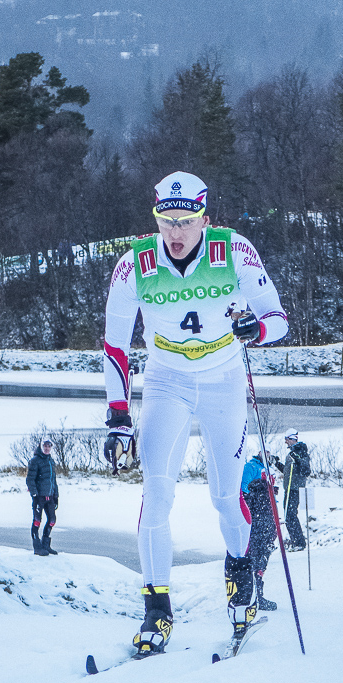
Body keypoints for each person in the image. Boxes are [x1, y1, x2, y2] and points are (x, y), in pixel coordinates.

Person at [103, 170, 288, 656]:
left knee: (225, 497)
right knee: (156, 494)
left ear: (205, 218)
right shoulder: (134, 265)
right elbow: (115, 346)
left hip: (223, 378)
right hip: (167, 380)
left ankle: (241, 581)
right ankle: (156, 610)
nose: (176, 232)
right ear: (156, 219)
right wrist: (118, 416)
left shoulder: (233, 250)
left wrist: (256, 329)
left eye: (186, 221)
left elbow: (278, 319)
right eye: (166, 221)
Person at [241, 448, 278, 611]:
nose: (268, 455)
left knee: (261, 558)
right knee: (255, 558)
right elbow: (244, 489)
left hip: (265, 521)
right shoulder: (251, 466)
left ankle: (256, 595)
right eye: (265, 452)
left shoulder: (267, 468)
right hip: (257, 520)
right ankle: (254, 597)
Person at [272, 428, 311, 550]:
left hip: (295, 489)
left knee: (290, 515)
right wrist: (276, 463)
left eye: (287, 439)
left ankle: (299, 542)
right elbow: (287, 471)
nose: (285, 442)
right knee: (288, 515)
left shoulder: (301, 452)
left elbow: (306, 470)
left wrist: (297, 458)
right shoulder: (291, 454)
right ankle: (296, 541)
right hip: (289, 488)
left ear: (293, 439)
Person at [26, 437, 59, 556]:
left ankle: (46, 544)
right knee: (37, 521)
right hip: (39, 497)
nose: (47, 448)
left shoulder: (51, 461)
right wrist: (34, 494)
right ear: (41, 447)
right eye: (45, 446)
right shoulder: (35, 460)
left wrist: (56, 496)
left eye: (49, 446)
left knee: (52, 520)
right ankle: (37, 547)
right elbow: (30, 479)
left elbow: (53, 480)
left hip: (50, 496)